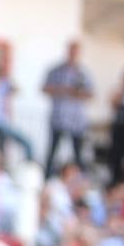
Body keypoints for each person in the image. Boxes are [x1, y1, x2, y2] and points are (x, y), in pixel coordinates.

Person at [42, 41, 93, 175]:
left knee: (78, 154)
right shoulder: (56, 71)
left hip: (76, 120)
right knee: (52, 152)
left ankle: (79, 181)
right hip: (59, 118)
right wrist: (63, 89)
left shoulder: (83, 73)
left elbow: (90, 93)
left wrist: (76, 92)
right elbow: (45, 88)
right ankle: (47, 177)